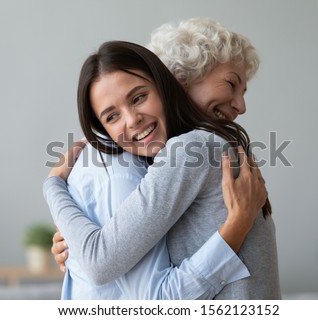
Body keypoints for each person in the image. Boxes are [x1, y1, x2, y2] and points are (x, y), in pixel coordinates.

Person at [47, 18, 280, 299]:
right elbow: (104, 255)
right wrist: (73, 242)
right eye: (231, 84)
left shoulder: (193, 147)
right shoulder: (203, 146)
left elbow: (100, 261)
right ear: (180, 79)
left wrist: (52, 186)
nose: (241, 106)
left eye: (139, 98)